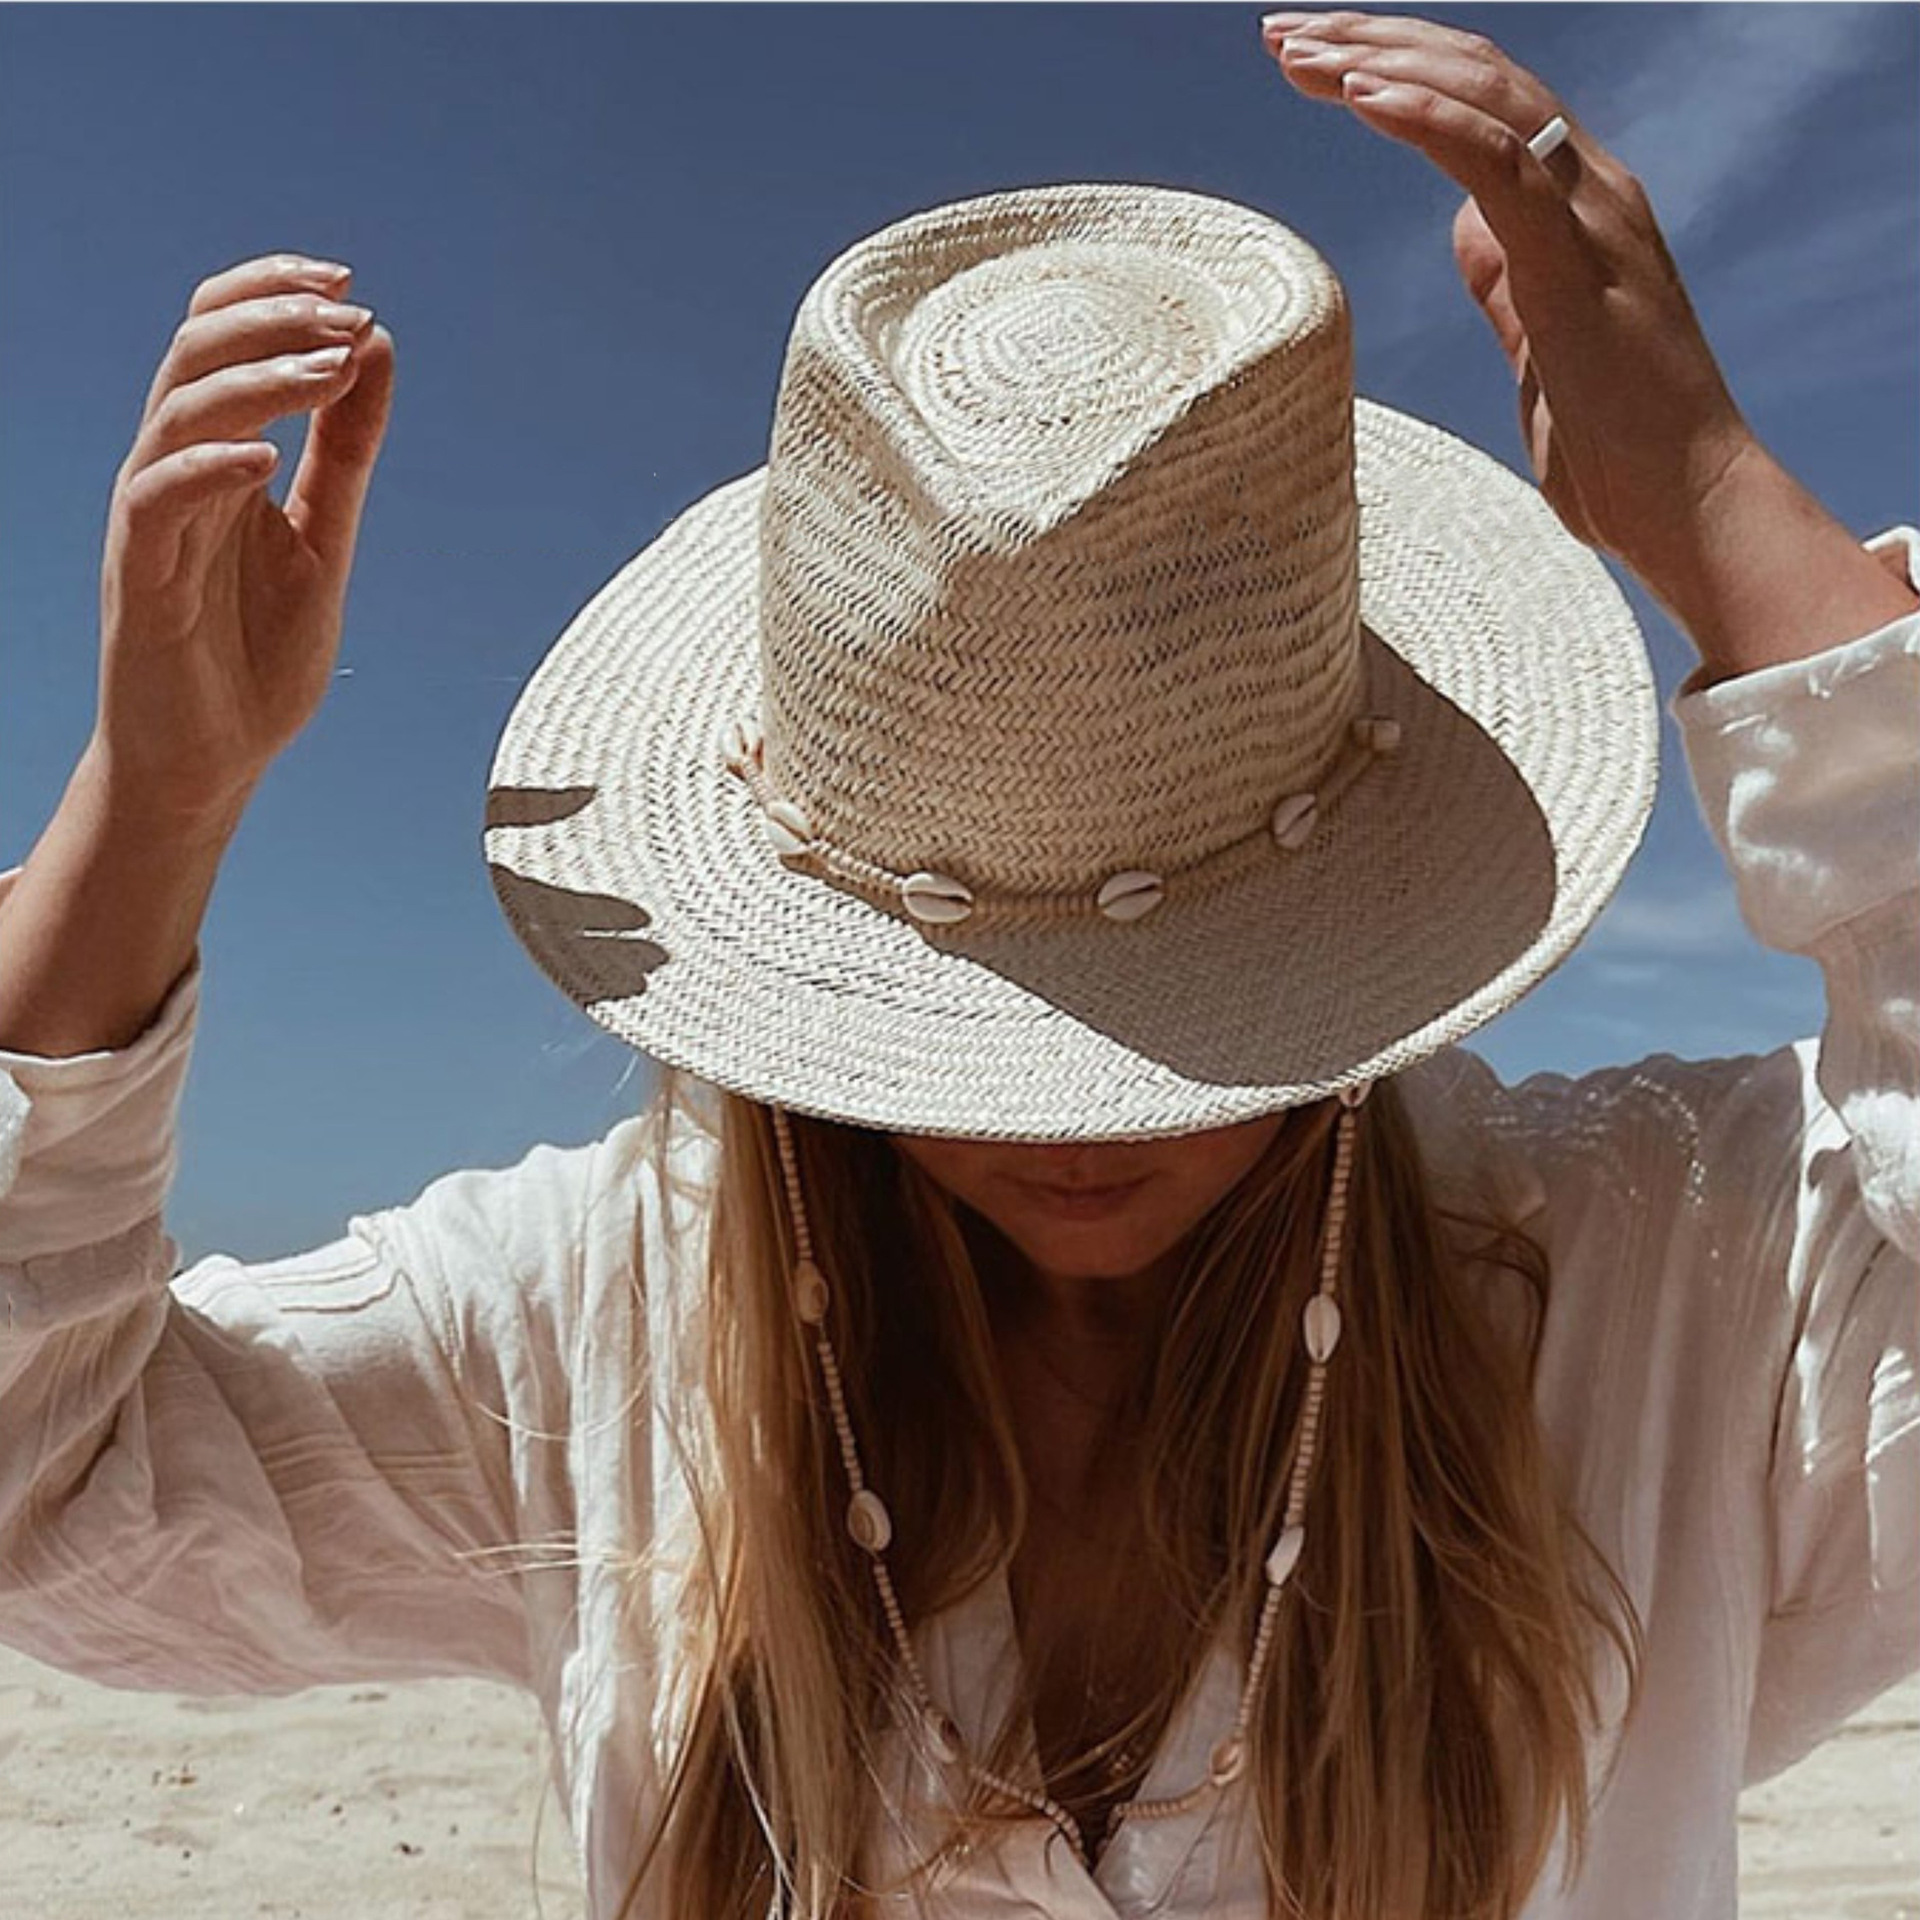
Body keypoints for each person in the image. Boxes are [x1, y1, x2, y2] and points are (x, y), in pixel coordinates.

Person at [0, 13, 1913, 1920]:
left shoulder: (1654, 1288)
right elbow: (49, 1501)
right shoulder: (613, 1320)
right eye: (991, 1025)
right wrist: (148, 812)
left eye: (1177, 1009)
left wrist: (1728, 508)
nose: (1071, 1122)